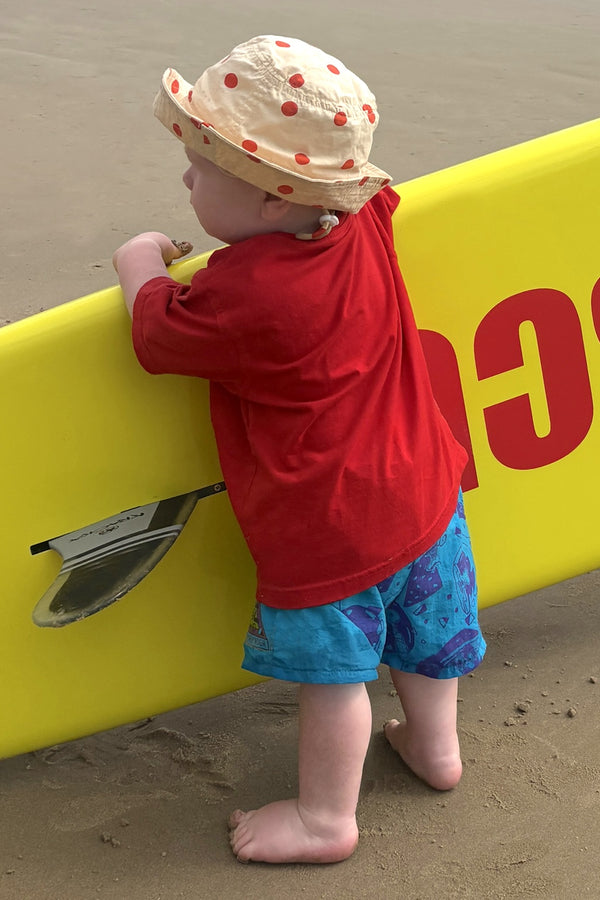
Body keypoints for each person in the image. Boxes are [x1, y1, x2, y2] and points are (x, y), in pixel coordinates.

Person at [113, 34, 486, 865]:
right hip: (425, 489)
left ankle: (326, 819)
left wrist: (138, 258)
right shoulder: (364, 222)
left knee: (337, 679)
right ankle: (436, 751)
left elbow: (155, 332)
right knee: (427, 638)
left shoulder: (249, 293)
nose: (185, 179)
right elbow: (368, 194)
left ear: (276, 202)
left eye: (201, 169)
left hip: (330, 530)